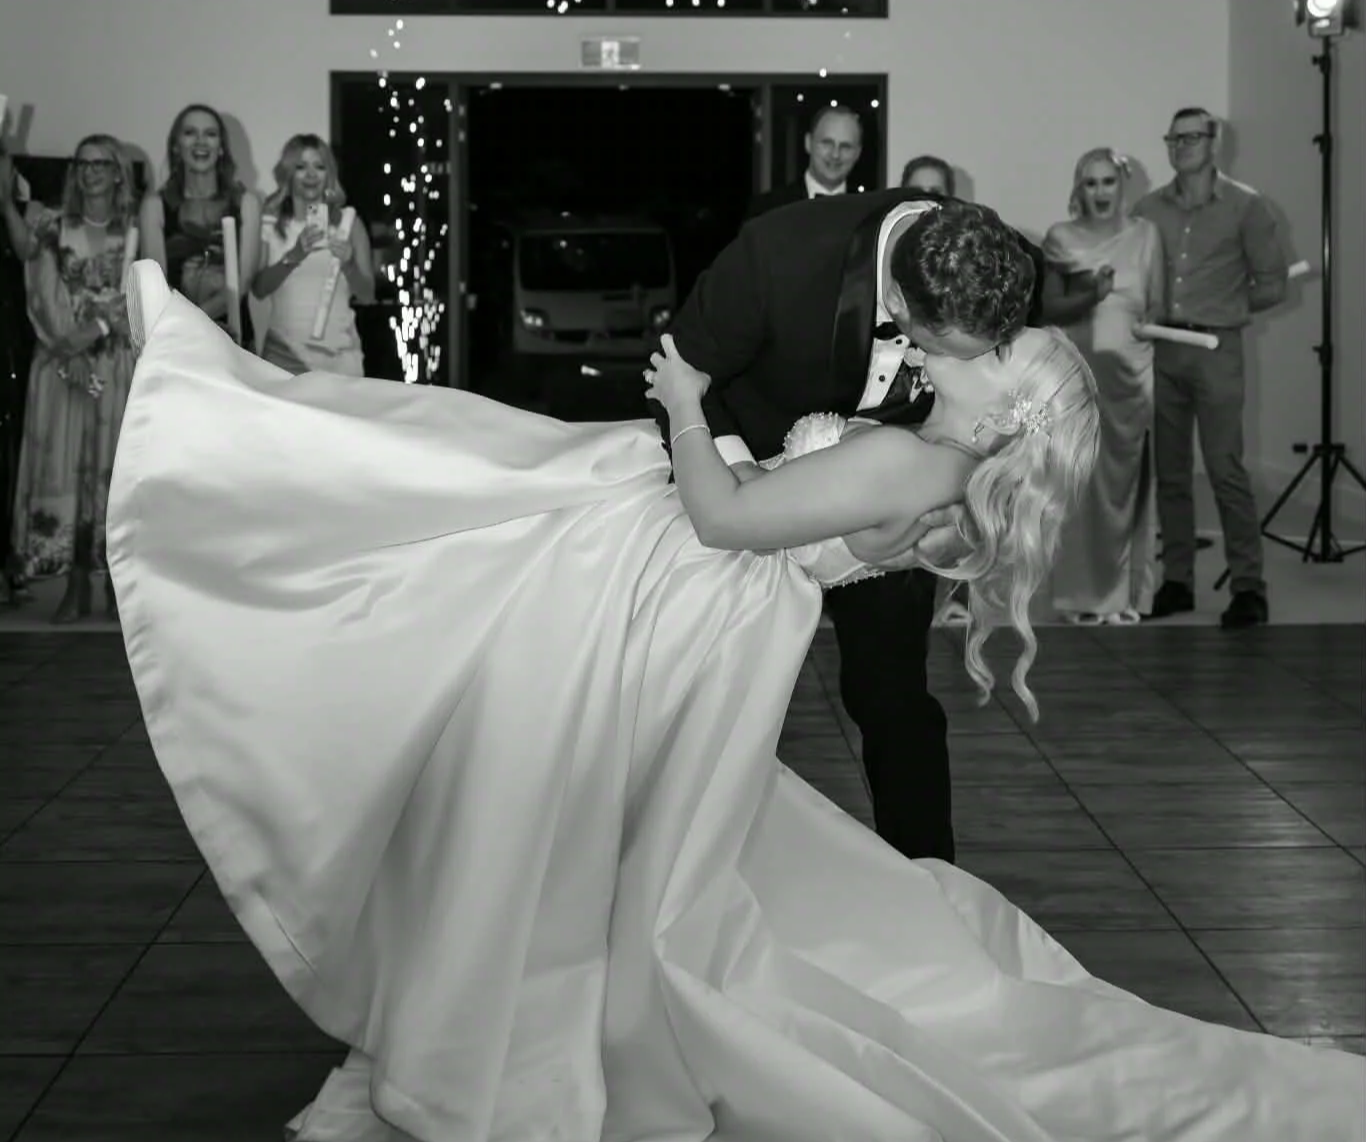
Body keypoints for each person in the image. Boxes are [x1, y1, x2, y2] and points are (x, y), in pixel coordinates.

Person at [106, 259, 1363, 1142]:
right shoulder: (947, 478)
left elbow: (725, 513)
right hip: (721, 614)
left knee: (449, 495)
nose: (948, 348)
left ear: (1010, 404)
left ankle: (217, 415)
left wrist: (687, 401)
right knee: (466, 495)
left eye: (983, 355)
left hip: (677, 582)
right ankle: (227, 401)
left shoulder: (907, 457)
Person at [659, 192, 1040, 861]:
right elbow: (685, 364)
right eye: (941, 349)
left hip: (892, 498)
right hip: (750, 476)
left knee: (893, 694)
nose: (938, 367)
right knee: (717, 705)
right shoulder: (779, 257)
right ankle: (699, 869)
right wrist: (747, 476)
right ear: (896, 299)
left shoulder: (996, 268)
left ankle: (928, 880)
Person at [1134, 106, 1289, 628]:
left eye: (1193, 137)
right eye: (1174, 139)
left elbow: (1273, 283)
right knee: (1171, 473)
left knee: (1225, 469)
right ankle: (1176, 581)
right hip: (1164, 352)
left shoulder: (1247, 207)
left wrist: (1226, 311)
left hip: (1217, 351)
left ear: (1213, 142)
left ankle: (1249, 587)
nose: (1182, 146)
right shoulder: (1149, 209)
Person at [3, 135, 138, 621]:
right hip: (62, 365)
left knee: (109, 471)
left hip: (114, 364)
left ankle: (109, 585)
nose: (91, 172)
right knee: (63, 469)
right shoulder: (51, 227)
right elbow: (39, 292)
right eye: (82, 163)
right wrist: (72, 343)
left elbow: (138, 300)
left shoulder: (134, 233)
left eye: (101, 164)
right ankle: (70, 583)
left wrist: (102, 330)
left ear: (118, 172)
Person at [1042, 147, 1163, 623]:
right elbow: (1051, 308)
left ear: (1122, 185)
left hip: (1134, 375)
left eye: (1108, 181)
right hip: (1081, 374)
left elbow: (1157, 308)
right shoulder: (1060, 237)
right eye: (1090, 182)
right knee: (1080, 485)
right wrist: (1095, 292)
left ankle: (1124, 596)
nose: (1099, 192)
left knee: (1128, 484)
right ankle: (1081, 597)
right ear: (1078, 188)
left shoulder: (1147, 236)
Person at [138, 102, 261, 346]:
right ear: (176, 145)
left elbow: (243, 282)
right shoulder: (154, 205)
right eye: (190, 133)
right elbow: (157, 284)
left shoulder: (246, 202)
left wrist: (196, 322)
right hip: (176, 340)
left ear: (222, 147)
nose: (200, 141)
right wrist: (190, 327)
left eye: (210, 134)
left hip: (232, 338)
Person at [252, 134, 376, 376]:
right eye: (301, 167)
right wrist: (294, 255)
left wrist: (349, 264)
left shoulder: (349, 223)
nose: (311, 175)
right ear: (288, 172)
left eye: (319, 167)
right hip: (285, 355)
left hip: (340, 358)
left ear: (329, 174)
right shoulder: (271, 220)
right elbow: (258, 289)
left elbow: (368, 295)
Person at [747, 105, 862, 217]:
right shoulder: (768, 208)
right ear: (808, 143)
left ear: (858, 153)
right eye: (827, 143)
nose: (835, 154)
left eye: (845, 146)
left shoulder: (870, 212)